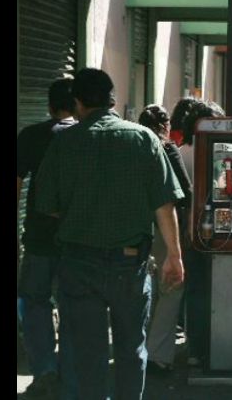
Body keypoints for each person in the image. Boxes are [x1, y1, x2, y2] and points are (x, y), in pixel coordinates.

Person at [35, 68, 185, 400]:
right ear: (112, 99)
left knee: (89, 358)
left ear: (77, 103)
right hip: (129, 264)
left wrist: (80, 212)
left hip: (78, 262)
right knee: (131, 351)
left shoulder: (64, 142)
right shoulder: (143, 138)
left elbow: (46, 204)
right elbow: (164, 204)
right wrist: (174, 257)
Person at [17, 77, 78, 400]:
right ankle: (70, 372)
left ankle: (44, 371)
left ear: (49, 105)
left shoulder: (31, 136)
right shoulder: (85, 137)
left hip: (39, 238)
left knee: (35, 302)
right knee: (73, 304)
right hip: (77, 241)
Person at [139, 104, 193, 376]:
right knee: (171, 287)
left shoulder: (134, 147)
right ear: (166, 126)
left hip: (138, 229)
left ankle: (142, 347)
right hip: (165, 228)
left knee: (147, 290)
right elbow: (184, 191)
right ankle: (158, 354)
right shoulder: (167, 148)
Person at [179, 99, 226, 366]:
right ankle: (217, 344)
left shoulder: (180, 152)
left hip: (190, 229)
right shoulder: (220, 152)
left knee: (196, 289)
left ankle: (196, 348)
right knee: (217, 287)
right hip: (219, 227)